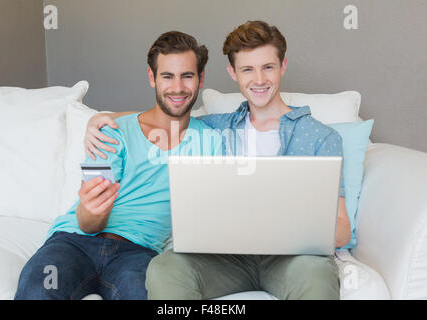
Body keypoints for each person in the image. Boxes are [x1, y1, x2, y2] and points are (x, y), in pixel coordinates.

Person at [84, 21, 351, 300]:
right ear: (232, 73)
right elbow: (166, 114)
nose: (259, 80)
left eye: (268, 67)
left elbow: (342, 230)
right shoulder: (216, 129)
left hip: (294, 259)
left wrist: (288, 226)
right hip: (226, 259)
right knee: (165, 267)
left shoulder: (321, 137)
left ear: (283, 66)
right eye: (247, 69)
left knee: (317, 275)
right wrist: (100, 119)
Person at [14, 31, 222, 300]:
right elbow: (87, 223)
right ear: (152, 78)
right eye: (167, 76)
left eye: (187, 75)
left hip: (138, 254)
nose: (178, 87)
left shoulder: (211, 141)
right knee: (38, 289)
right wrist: (91, 211)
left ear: (201, 78)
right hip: (74, 242)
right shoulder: (112, 131)